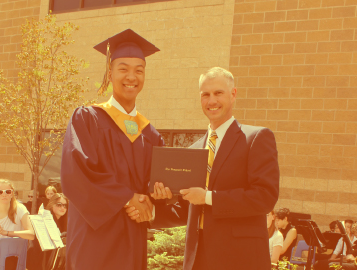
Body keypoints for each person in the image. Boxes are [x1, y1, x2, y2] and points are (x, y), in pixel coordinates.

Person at [140, 67, 280, 270]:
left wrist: (207, 197)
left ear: (233, 94)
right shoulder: (194, 149)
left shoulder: (256, 138)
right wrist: (151, 210)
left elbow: (264, 197)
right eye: (205, 95)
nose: (211, 101)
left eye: (218, 93)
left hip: (240, 259)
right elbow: (186, 209)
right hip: (198, 258)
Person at [61, 29, 164, 270]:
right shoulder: (87, 118)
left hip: (133, 238)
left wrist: (152, 203)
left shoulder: (150, 134)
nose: (132, 76)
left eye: (139, 70)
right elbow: (76, 174)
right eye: (123, 68)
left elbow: (155, 186)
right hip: (94, 239)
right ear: (110, 73)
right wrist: (128, 198)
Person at [26, 193, 68, 270]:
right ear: (52, 204)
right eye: (59, 205)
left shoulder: (63, 222)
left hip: (50, 261)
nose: (63, 207)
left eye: (65, 205)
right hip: (39, 260)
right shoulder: (46, 219)